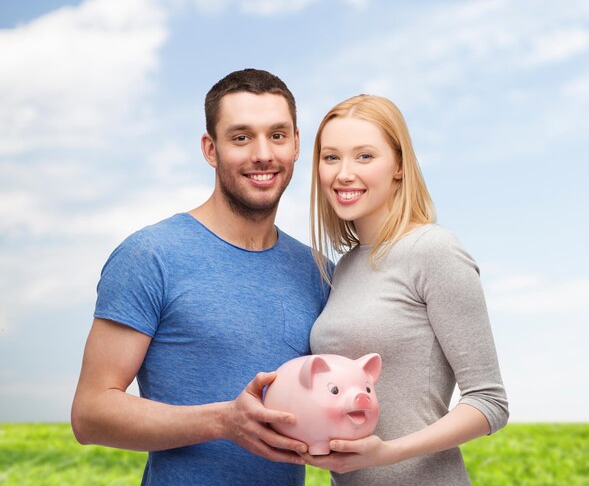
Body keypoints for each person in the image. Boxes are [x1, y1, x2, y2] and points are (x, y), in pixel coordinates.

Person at [71, 69, 325, 486]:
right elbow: (90, 414)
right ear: (211, 149)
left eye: (277, 136)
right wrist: (223, 421)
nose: (263, 154)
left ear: (296, 144)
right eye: (241, 137)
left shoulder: (318, 272)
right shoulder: (151, 255)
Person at [304, 94, 509, 485]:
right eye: (331, 158)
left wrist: (387, 453)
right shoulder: (344, 268)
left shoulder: (435, 250)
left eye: (364, 156)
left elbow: (490, 402)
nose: (344, 173)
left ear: (399, 165)